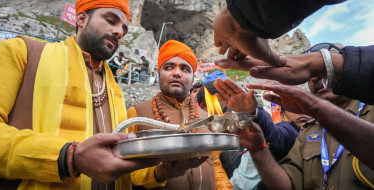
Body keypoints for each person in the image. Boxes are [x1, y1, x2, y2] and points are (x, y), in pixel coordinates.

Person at [0, 0, 157, 189]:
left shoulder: (114, 88)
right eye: (110, 20)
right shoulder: (20, 52)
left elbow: (116, 162)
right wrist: (68, 157)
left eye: (124, 29)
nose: (119, 32)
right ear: (82, 19)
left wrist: (160, 172)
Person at [213, 3, 374, 105]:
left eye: (325, 75)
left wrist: (241, 18)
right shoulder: (308, 132)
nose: (316, 79)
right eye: (316, 74)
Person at [232, 76, 374, 189]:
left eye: (324, 69)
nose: (314, 78)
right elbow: (287, 184)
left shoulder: (370, 114)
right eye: (310, 75)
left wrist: (318, 110)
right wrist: (257, 148)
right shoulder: (308, 131)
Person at [126, 40, 232, 190]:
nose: (176, 73)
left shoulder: (206, 118)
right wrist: (158, 174)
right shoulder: (137, 113)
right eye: (169, 67)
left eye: (185, 69)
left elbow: (215, 165)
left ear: (193, 79)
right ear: (158, 74)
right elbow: (126, 171)